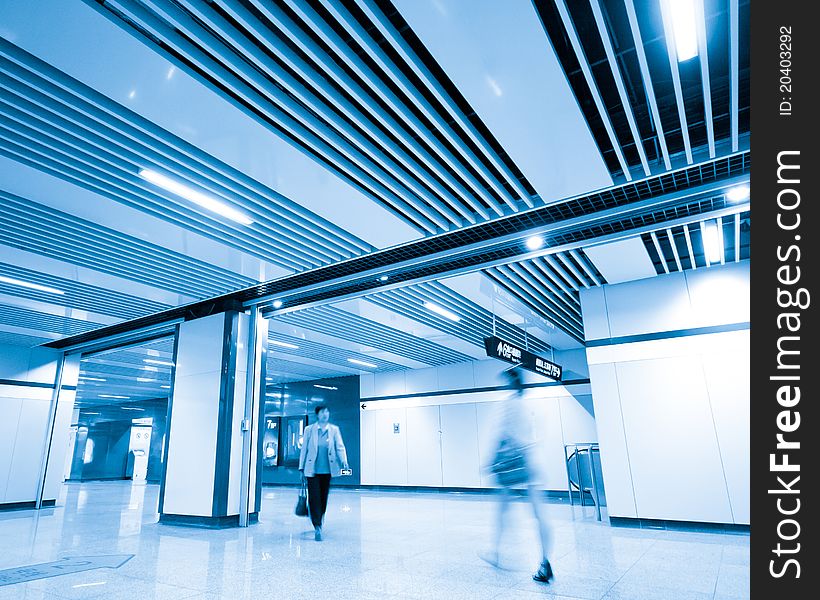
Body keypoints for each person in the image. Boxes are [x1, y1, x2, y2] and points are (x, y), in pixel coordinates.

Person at [483, 367, 554, 583]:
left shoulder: (509, 404)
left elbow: (503, 434)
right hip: (534, 461)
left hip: (515, 464)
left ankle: (495, 551)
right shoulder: (534, 403)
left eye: (506, 381)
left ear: (512, 382)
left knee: (502, 507)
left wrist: (492, 461)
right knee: (539, 513)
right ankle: (545, 561)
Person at [298, 405, 349, 541]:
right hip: (312, 470)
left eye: (327, 411)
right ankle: (317, 525)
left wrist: (344, 461)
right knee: (314, 497)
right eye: (322, 412)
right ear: (317, 415)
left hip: (328, 470)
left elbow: (340, 447)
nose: (325, 414)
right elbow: (304, 450)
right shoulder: (309, 430)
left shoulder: (334, 430)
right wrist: (301, 467)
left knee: (323, 497)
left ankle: (320, 516)